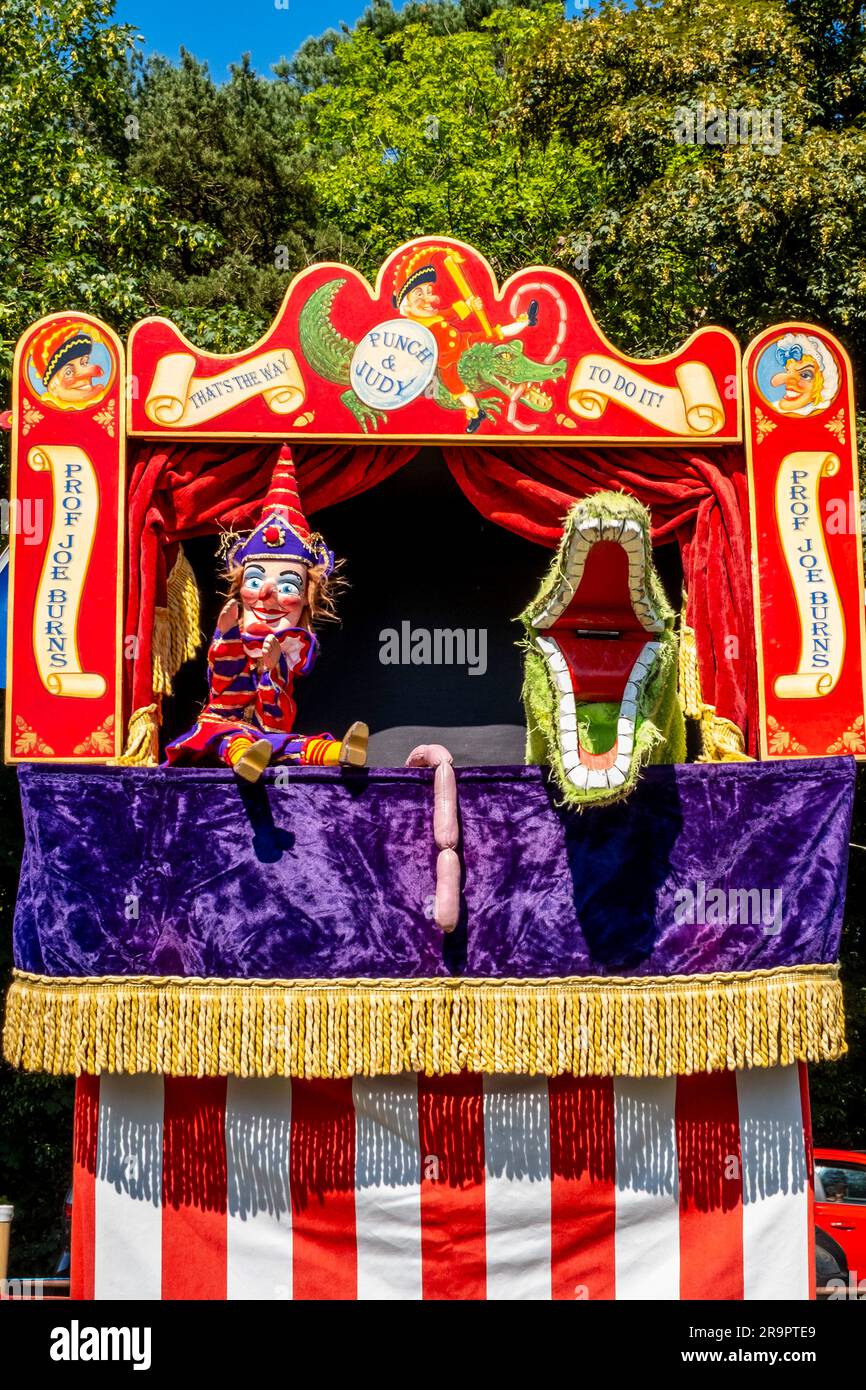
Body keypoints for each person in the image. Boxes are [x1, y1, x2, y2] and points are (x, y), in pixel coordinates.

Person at [165, 448, 367, 782]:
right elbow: (223, 693)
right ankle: (245, 760)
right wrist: (227, 637)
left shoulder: (292, 648)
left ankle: (339, 752)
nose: (266, 594)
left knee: (293, 745)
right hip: (223, 725)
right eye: (255, 580)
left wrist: (272, 673)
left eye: (287, 586)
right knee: (234, 738)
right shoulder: (235, 635)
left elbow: (276, 721)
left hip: (265, 733)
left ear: (306, 599)